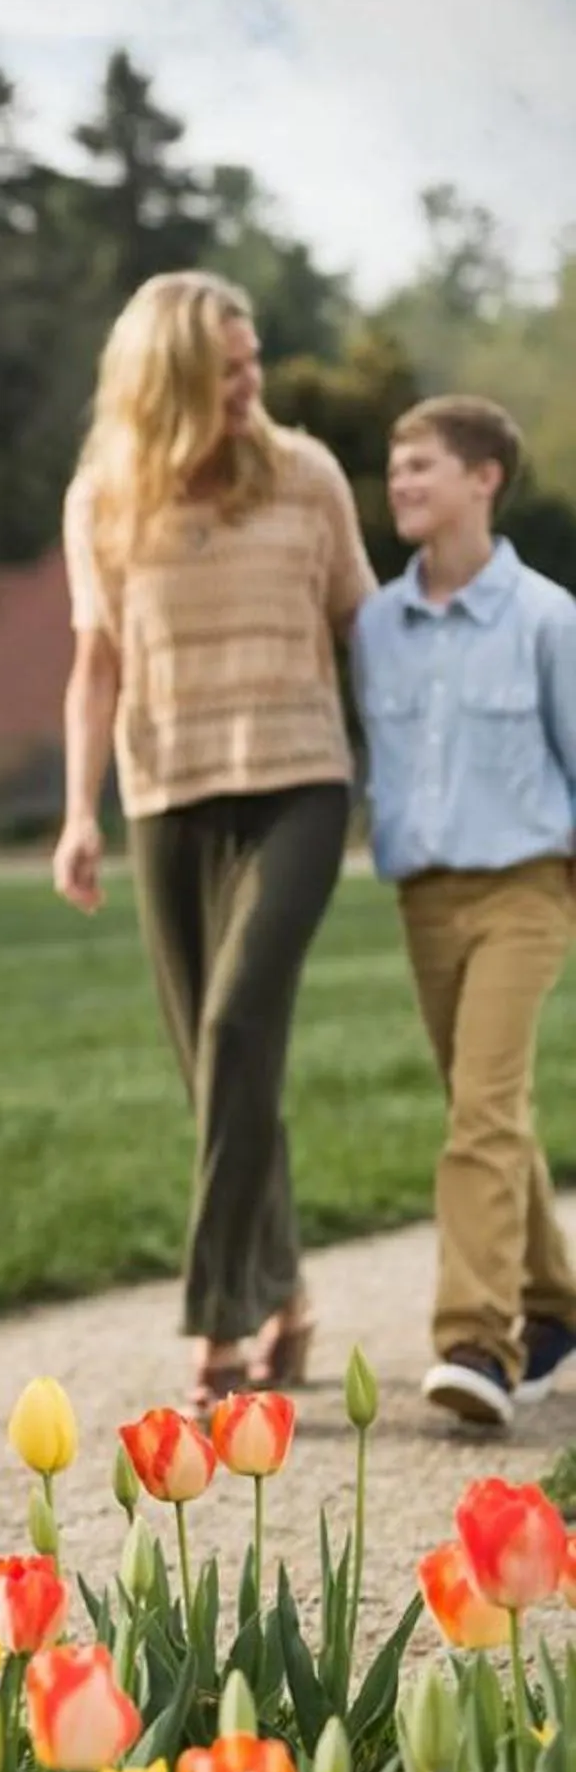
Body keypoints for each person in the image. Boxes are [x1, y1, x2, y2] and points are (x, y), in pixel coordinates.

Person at [52, 271, 375, 1415]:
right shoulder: (102, 497)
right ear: (169, 379)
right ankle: (284, 1291)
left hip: (299, 785)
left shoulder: (305, 477)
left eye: (252, 361)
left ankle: (218, 1319)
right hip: (167, 797)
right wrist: (79, 811)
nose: (251, 383)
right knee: (214, 1069)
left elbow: (362, 629)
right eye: (227, 367)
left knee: (238, 1024)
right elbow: (95, 662)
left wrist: (412, 787)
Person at [351, 395, 576, 1431]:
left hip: (526, 886)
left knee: (480, 1111)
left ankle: (476, 1341)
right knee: (484, 1107)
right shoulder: (374, 627)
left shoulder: (544, 617)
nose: (399, 482)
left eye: (421, 465)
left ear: (482, 478)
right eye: (393, 466)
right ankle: (556, 1301)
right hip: (424, 900)